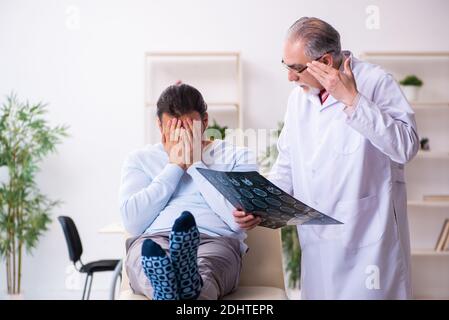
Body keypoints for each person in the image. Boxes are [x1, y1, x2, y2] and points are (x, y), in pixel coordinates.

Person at [233, 17, 419, 299]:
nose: (289, 77)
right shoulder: (298, 99)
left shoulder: (375, 83)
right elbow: (287, 166)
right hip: (318, 247)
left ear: (326, 62)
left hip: (368, 246)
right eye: (286, 66)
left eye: (295, 68)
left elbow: (406, 147)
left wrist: (353, 100)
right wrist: (259, 206)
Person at [119, 84, 257, 300]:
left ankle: (180, 287)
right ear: (159, 125)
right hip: (154, 240)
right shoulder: (140, 159)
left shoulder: (237, 157)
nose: (182, 137)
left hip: (216, 240)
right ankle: (181, 287)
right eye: (174, 129)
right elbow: (132, 222)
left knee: (206, 269)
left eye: (189, 129)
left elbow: (236, 221)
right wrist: (173, 167)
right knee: (150, 264)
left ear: (204, 122)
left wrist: (195, 165)